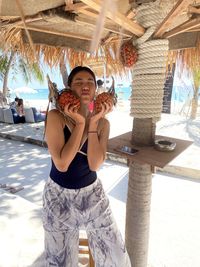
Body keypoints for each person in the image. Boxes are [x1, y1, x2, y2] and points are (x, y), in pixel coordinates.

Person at [43, 66, 131, 267]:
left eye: (90, 82)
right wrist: (81, 124)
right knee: (60, 261)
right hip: (58, 197)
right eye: (79, 82)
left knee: (116, 257)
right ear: (69, 87)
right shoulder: (56, 117)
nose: (85, 85)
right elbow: (62, 164)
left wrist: (92, 123)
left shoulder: (103, 124)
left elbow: (94, 164)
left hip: (93, 195)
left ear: (96, 89)